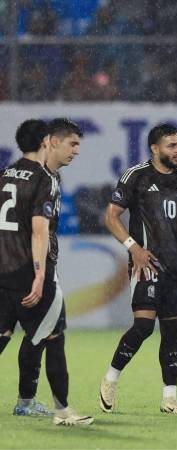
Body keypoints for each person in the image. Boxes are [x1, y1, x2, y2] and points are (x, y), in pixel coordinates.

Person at [99, 124, 177, 414]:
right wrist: (134, 248)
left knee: (172, 332)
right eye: (171, 145)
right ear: (155, 148)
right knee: (143, 326)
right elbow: (111, 216)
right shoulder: (137, 177)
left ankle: (169, 398)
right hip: (148, 266)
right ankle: (110, 379)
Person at [0, 118, 93, 425]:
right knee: (53, 335)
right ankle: (62, 410)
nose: (76, 151)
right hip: (29, 270)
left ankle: (27, 401)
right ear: (46, 141)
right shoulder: (44, 179)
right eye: (73, 144)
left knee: (7, 334)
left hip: (3, 269)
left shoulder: (6, 174)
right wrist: (40, 275)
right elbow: (39, 232)